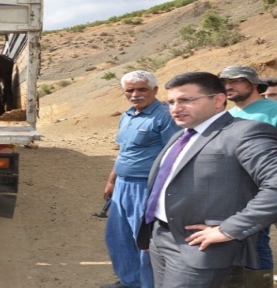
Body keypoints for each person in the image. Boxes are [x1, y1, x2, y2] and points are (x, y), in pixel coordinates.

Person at [137, 71, 277, 288]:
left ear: (218, 100)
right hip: (161, 238)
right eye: (171, 102)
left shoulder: (245, 132)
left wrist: (229, 229)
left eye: (186, 100)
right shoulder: (181, 136)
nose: (175, 108)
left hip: (200, 249)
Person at [101, 70, 181, 288]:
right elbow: (124, 152)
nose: (135, 94)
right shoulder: (127, 115)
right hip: (123, 185)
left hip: (147, 186)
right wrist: (112, 180)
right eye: (130, 90)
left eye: (142, 89)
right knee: (119, 237)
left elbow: (175, 154)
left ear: (154, 90)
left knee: (144, 240)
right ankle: (130, 282)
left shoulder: (165, 116)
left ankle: (148, 284)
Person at [218, 65, 277, 287]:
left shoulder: (273, 110)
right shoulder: (227, 115)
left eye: (235, 81)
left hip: (265, 191)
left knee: (257, 240)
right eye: (224, 82)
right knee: (241, 240)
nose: (228, 86)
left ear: (253, 84)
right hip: (233, 192)